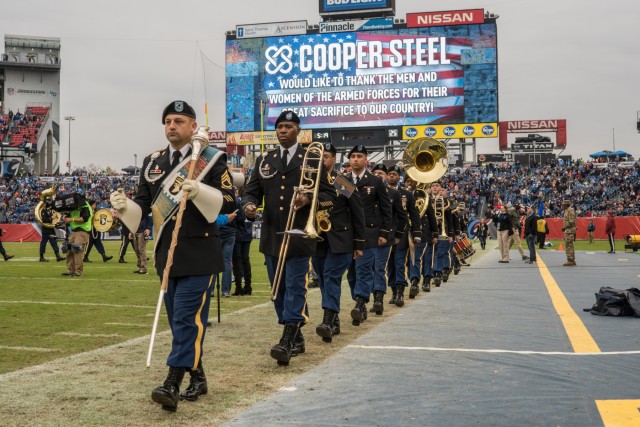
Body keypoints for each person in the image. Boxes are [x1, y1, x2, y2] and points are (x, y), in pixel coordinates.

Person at [110, 100, 235, 412]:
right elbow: (141, 210)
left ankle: (171, 383)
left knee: (185, 318)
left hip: (200, 254)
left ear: (193, 127)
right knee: (183, 324)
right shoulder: (153, 162)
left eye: (179, 121)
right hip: (167, 255)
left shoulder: (211, 159)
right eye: (167, 121)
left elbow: (231, 202)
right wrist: (125, 207)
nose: (171, 126)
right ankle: (199, 377)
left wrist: (201, 192)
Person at [241, 110, 336, 366]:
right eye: (280, 126)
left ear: (298, 131)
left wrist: (308, 201)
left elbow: (330, 197)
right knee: (278, 290)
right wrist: (249, 206)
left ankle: (287, 338)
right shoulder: (265, 160)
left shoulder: (312, 159)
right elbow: (251, 192)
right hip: (272, 235)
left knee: (295, 287)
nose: (283, 130)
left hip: (300, 235)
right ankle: (297, 335)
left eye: (288, 127)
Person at [312, 142, 364, 342]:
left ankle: (327, 321)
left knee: (331, 276)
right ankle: (334, 320)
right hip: (318, 238)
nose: (322, 160)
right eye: (320, 157)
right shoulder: (310, 180)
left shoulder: (341, 181)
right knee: (324, 280)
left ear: (334, 159)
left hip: (341, 238)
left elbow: (357, 211)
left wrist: (359, 243)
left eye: (326, 156)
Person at [345, 145, 392, 326]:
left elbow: (386, 208)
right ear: (349, 160)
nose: (356, 159)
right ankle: (361, 303)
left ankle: (360, 302)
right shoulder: (343, 181)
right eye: (353, 156)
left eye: (360, 156)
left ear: (366, 160)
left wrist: (384, 233)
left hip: (369, 232)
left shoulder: (375, 181)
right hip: (347, 234)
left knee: (364, 270)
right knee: (351, 273)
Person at [386, 164, 421, 305]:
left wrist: (417, 233)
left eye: (394, 174)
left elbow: (414, 214)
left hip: (402, 232)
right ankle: (394, 292)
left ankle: (400, 292)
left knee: (400, 263)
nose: (392, 176)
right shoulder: (382, 191)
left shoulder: (407, 194)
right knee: (390, 265)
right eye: (390, 174)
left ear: (399, 177)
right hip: (386, 232)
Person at [62, 193, 92, 276]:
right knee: (68, 250)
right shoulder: (73, 206)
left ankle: (78, 270)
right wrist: (65, 217)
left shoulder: (85, 206)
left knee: (77, 249)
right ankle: (71, 269)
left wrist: (71, 219)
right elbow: (67, 215)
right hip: (73, 231)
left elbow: (84, 219)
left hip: (82, 231)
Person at [232, 184, 253, 296]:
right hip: (247, 233)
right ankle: (248, 286)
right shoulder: (250, 203)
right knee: (245, 259)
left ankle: (239, 286)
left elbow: (240, 218)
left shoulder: (236, 201)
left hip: (238, 233)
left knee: (237, 260)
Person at [38, 192, 64, 262]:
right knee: (43, 243)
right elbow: (44, 220)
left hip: (50, 229)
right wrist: (51, 218)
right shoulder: (43, 210)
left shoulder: (50, 210)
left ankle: (58, 256)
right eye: (48, 201)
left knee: (54, 243)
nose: (50, 202)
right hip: (46, 230)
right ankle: (41, 257)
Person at [561, 199, 577, 266]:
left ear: (566, 204)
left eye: (563, 205)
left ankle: (570, 260)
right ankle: (571, 259)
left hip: (569, 230)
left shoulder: (570, 210)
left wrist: (564, 227)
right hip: (568, 230)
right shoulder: (567, 210)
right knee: (569, 245)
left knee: (569, 245)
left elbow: (571, 221)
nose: (563, 206)